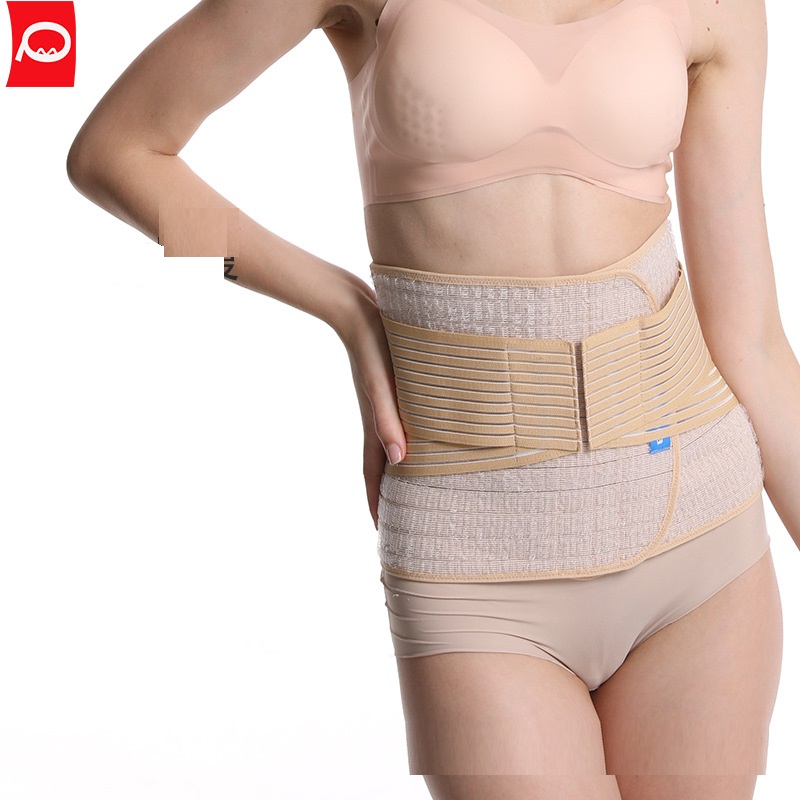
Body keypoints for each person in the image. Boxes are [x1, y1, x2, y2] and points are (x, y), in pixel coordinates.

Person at [66, 1, 797, 797]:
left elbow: (753, 344)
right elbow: (116, 153)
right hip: (472, 555)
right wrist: (342, 306)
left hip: (701, 540)